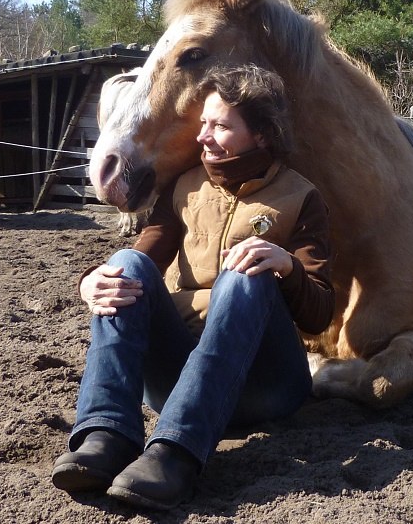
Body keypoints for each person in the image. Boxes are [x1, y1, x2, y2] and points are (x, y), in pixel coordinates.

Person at [51, 65, 335, 510]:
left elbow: (320, 313)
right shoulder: (183, 187)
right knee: (124, 262)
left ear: (262, 135)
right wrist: (90, 281)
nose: (203, 136)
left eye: (220, 126)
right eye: (204, 123)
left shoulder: (300, 196)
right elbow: (142, 259)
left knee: (246, 274)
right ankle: (106, 433)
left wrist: (286, 267)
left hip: (267, 387)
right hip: (177, 381)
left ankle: (175, 454)